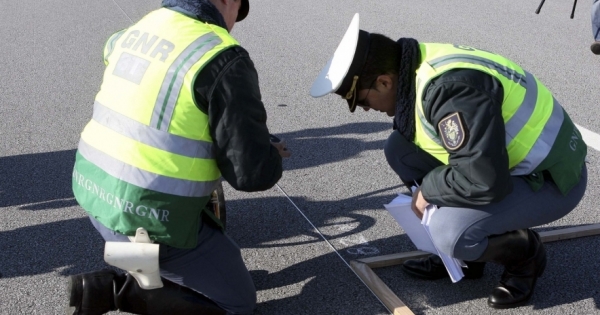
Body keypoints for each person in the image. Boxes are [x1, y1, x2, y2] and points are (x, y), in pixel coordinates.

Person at [310, 14, 587, 309]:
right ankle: (468, 260)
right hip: (509, 167)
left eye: (362, 101)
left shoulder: (450, 91)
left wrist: (428, 190)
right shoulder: (419, 69)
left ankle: (525, 254)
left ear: (384, 81)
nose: (364, 110)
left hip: (551, 177)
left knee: (449, 231)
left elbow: (483, 181)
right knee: (399, 149)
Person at [67, 0, 291, 314]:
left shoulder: (140, 28)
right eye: (236, 12)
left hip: (94, 190)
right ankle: (116, 291)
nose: (232, 24)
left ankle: (163, 270)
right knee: (237, 304)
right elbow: (251, 175)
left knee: (213, 270)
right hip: (146, 214)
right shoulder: (222, 55)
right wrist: (269, 154)